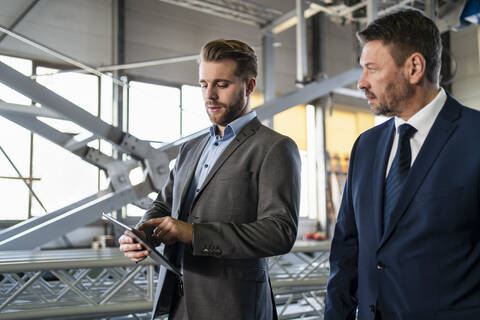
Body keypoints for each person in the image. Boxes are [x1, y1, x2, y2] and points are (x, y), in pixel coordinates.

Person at [119, 39, 301, 320]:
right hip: (178, 303)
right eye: (204, 84)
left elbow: (279, 233)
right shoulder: (190, 148)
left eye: (221, 84)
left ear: (249, 86)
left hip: (233, 306)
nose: (210, 95)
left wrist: (194, 234)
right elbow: (165, 206)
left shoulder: (274, 148)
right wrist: (142, 234)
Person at [325, 9, 480, 320]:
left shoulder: (475, 136)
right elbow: (347, 250)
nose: (361, 83)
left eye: (371, 68)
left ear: (414, 67)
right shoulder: (366, 146)